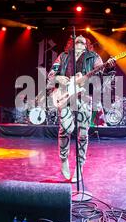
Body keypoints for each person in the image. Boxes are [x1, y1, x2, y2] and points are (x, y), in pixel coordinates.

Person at [47, 35, 115, 182]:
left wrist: (109, 67)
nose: (79, 42)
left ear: (86, 45)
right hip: (65, 97)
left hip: (84, 97)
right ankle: (64, 159)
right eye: (76, 41)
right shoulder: (63, 56)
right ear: (71, 43)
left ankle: (79, 166)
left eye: (82, 42)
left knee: (83, 134)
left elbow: (101, 74)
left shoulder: (94, 57)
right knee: (65, 129)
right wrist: (58, 78)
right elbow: (51, 74)